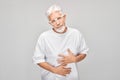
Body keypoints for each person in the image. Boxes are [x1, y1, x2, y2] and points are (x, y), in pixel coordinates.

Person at [32, 4, 89, 80]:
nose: (57, 23)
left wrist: (75, 59)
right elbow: (38, 59)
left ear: (64, 17)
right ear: (50, 23)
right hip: (51, 78)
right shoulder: (44, 37)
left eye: (59, 18)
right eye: (53, 21)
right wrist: (55, 70)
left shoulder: (76, 34)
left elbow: (84, 52)